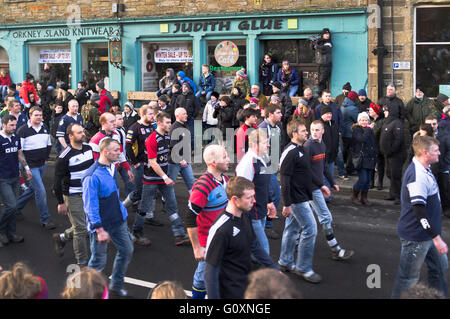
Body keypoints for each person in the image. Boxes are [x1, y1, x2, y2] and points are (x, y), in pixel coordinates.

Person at [391, 135, 448, 299]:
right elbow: (419, 211)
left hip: (428, 235)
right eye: (436, 150)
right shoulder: (418, 177)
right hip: (416, 237)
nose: (439, 153)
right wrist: (436, 238)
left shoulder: (424, 168)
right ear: (425, 153)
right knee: (407, 279)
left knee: (439, 268)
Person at [204, 176, 278, 299]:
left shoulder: (245, 215)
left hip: (246, 284)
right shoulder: (221, 231)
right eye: (249, 198)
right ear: (235, 199)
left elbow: (254, 245)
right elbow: (210, 273)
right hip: (230, 291)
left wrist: (274, 269)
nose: (254, 201)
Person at [278, 119, 329, 283]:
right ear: (294, 134)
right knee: (310, 229)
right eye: (303, 131)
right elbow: (284, 180)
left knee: (292, 229)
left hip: (303, 196)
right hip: (296, 199)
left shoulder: (302, 149)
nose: (307, 133)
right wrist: (286, 204)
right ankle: (303, 268)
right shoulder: (290, 152)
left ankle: (285, 262)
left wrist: (321, 185)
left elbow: (308, 172)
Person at [83, 138, 134, 297]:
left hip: (118, 220)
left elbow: (114, 194)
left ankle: (116, 286)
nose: (120, 153)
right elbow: (90, 205)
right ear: (105, 152)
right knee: (98, 261)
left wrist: (122, 213)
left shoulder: (112, 167)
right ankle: (88, 292)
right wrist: (99, 229)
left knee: (126, 250)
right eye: (116, 150)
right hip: (102, 226)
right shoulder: (92, 175)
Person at [135, 112, 190, 246]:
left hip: (163, 179)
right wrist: (165, 177)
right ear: (159, 123)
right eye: (167, 122)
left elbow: (169, 154)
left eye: (170, 122)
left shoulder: (167, 136)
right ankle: (136, 232)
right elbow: (153, 162)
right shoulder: (152, 139)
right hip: (151, 179)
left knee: (172, 205)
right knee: (144, 207)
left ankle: (179, 233)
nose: (170, 125)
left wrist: (180, 159)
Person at [304, 120, 354, 259]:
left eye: (317, 130)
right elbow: (306, 170)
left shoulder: (322, 145)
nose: (314, 132)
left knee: (299, 220)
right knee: (325, 216)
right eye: (312, 129)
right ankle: (335, 249)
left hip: (316, 187)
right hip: (311, 188)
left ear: (323, 131)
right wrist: (321, 185)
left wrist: (332, 182)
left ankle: (294, 246)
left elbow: (324, 166)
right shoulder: (308, 146)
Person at [186, 145, 230, 299]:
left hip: (222, 238)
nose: (229, 160)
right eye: (224, 157)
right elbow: (190, 217)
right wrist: (197, 248)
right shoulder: (202, 186)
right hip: (208, 243)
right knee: (201, 280)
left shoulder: (225, 179)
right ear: (212, 162)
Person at [52, 123, 94, 266]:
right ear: (70, 136)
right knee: (81, 230)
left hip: (88, 193)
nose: (83, 134)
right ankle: (82, 262)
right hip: (72, 196)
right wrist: (61, 202)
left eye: (83, 132)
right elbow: (56, 182)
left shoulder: (88, 149)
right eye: (79, 133)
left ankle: (62, 238)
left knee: (86, 226)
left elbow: (91, 171)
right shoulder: (64, 157)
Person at [236, 129, 277, 256]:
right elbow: (242, 189)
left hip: (261, 209)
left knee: (255, 244)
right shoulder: (248, 162)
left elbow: (263, 185)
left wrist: (269, 202)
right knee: (263, 246)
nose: (268, 145)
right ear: (255, 145)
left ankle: (251, 265)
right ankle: (267, 272)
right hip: (252, 213)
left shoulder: (262, 158)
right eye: (265, 143)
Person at [16, 106, 55, 229]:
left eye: (40, 115)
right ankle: (45, 219)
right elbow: (19, 151)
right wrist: (26, 167)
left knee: (32, 189)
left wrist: (45, 158)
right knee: (41, 191)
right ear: (30, 115)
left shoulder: (45, 127)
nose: (39, 117)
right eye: (36, 115)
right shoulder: (23, 131)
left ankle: (14, 209)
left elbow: (48, 144)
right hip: (30, 166)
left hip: (42, 165)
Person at [0, 115, 32, 246]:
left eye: (15, 125)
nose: (14, 128)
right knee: (11, 205)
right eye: (11, 125)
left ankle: (11, 233)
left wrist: (27, 168)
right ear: (3, 124)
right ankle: (1, 230)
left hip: (14, 177)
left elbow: (19, 154)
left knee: (14, 207)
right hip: (3, 179)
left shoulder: (16, 137)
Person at [123, 105, 157, 225]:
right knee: (138, 192)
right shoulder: (134, 127)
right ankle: (120, 209)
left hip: (150, 163)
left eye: (153, 114)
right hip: (139, 164)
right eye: (150, 114)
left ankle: (149, 215)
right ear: (143, 115)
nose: (153, 116)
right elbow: (128, 146)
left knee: (152, 189)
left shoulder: (152, 127)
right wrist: (135, 163)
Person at [89, 113, 133, 186]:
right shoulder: (96, 139)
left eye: (115, 121)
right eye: (111, 122)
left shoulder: (115, 134)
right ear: (103, 123)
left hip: (115, 168)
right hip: (103, 172)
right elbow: (94, 161)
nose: (115, 124)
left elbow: (120, 152)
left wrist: (127, 168)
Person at [258, 103, 282, 239]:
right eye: (278, 112)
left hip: (273, 165)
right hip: (265, 167)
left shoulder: (277, 128)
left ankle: (264, 221)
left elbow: (276, 146)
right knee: (275, 194)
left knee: (270, 194)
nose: (281, 115)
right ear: (271, 114)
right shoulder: (262, 128)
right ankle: (267, 225)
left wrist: (278, 161)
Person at [380, 104, 406, 205]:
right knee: (390, 174)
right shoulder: (388, 122)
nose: (384, 112)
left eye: (386, 111)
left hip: (396, 155)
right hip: (388, 155)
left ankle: (398, 196)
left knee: (396, 176)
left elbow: (398, 139)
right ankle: (392, 194)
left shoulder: (397, 123)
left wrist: (391, 150)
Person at [350, 112, 378, 205]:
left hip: (370, 158)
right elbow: (362, 139)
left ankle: (364, 197)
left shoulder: (369, 130)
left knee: (368, 180)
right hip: (361, 158)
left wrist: (375, 154)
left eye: (366, 120)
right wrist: (369, 129)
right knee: (363, 179)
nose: (364, 122)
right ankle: (354, 195)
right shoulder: (357, 130)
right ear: (359, 121)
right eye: (362, 120)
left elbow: (373, 144)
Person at [168, 107, 195, 192]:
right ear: (177, 115)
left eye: (186, 113)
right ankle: (166, 201)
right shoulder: (174, 128)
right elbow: (172, 147)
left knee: (191, 183)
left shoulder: (185, 125)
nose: (186, 115)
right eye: (184, 114)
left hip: (185, 161)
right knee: (170, 184)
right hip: (174, 163)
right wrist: (180, 160)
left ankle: (194, 203)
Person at [319, 105, 339, 201]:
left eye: (330, 113)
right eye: (327, 113)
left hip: (332, 155)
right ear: (322, 114)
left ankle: (327, 197)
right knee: (323, 178)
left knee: (329, 176)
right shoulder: (319, 125)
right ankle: (324, 198)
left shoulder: (334, 124)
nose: (329, 115)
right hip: (322, 156)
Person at [115, 111, 135, 197]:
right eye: (119, 119)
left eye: (122, 118)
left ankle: (131, 201)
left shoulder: (122, 129)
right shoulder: (114, 132)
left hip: (123, 160)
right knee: (114, 184)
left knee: (129, 180)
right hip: (116, 162)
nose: (122, 120)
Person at [341, 90, 359, 176]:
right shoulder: (353, 108)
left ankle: (342, 166)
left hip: (343, 132)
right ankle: (350, 169)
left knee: (345, 149)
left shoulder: (342, 105)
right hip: (350, 133)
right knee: (351, 152)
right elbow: (357, 120)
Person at [368, 102, 385, 190]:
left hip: (379, 146)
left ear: (376, 111)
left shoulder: (382, 122)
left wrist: (370, 129)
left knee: (380, 165)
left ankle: (380, 183)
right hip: (371, 147)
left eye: (371, 110)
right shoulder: (371, 121)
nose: (369, 111)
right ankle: (371, 182)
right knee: (371, 165)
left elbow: (377, 134)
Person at [271, 81, 293, 148]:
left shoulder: (284, 95)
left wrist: (285, 117)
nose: (273, 88)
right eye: (272, 87)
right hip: (273, 120)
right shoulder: (272, 96)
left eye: (274, 87)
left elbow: (288, 107)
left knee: (283, 137)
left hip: (282, 120)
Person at [179, 82, 200, 149]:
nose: (184, 88)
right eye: (182, 87)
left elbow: (197, 107)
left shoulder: (193, 97)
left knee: (191, 134)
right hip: (181, 120)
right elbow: (176, 107)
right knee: (181, 135)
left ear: (188, 88)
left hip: (190, 119)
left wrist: (193, 116)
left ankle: (193, 149)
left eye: (185, 87)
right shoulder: (179, 97)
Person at [314, 28, 333, 94]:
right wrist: (313, 42)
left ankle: (320, 93)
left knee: (322, 80)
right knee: (319, 80)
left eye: (328, 34)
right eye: (326, 34)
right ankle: (321, 93)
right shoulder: (320, 42)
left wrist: (316, 44)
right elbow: (313, 48)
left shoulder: (329, 43)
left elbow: (322, 50)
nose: (327, 35)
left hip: (326, 65)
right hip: (319, 64)